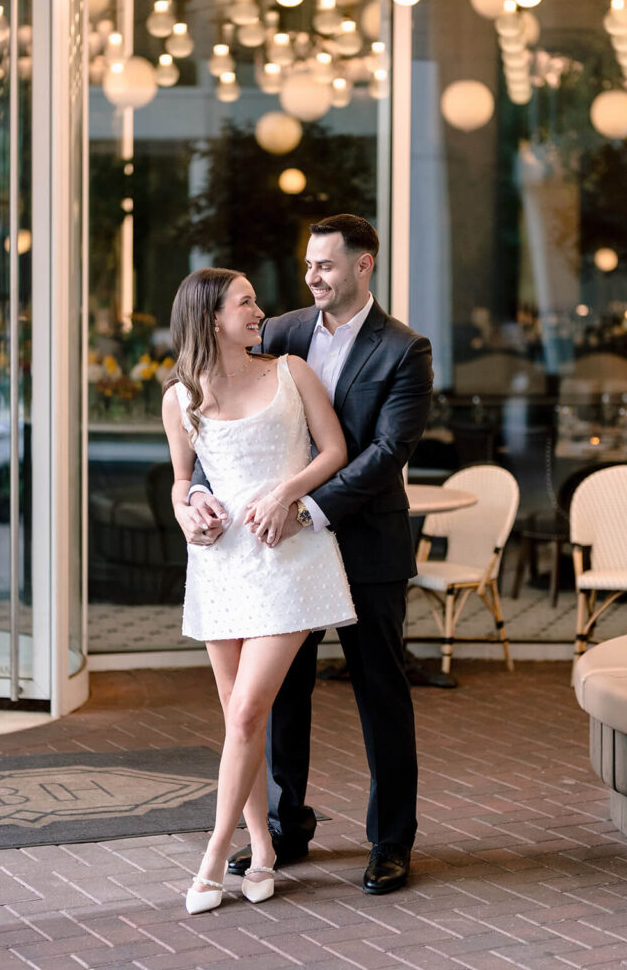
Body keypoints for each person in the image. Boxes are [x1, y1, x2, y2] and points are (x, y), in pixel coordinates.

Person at [184, 214, 434, 896]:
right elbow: (228, 429)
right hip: (276, 554)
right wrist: (197, 498)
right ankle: (284, 829)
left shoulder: (405, 350)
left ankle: (390, 841)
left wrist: (308, 509)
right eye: (308, 265)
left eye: (325, 265)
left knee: (381, 693)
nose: (312, 277)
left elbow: (387, 453)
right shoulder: (284, 332)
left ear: (363, 265)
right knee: (278, 696)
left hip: (363, 544)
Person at [161, 267, 356, 914]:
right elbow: (182, 481)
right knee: (236, 714)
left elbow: (334, 450)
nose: (258, 310)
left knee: (246, 712)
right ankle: (263, 849)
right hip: (221, 564)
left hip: (290, 555)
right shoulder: (179, 398)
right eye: (245, 302)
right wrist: (188, 509)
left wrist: (286, 491)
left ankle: (216, 855)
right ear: (211, 317)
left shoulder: (292, 372)